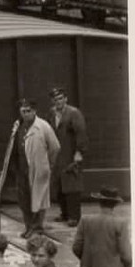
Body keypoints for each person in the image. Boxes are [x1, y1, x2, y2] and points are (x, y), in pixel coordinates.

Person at [8, 98, 60, 236]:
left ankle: (37, 227)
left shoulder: (43, 126)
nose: (25, 114)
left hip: (38, 169)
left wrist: (48, 163)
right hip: (22, 169)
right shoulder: (18, 126)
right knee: (24, 200)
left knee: (39, 199)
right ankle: (28, 226)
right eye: (23, 111)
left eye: (28, 111)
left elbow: (55, 147)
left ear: (34, 111)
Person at [49, 88, 90, 226]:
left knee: (72, 186)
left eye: (60, 98)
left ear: (65, 99)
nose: (58, 101)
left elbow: (81, 133)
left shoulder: (73, 113)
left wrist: (79, 152)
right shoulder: (52, 113)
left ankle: (74, 217)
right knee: (60, 186)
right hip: (57, 156)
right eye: (55, 99)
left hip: (70, 154)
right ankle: (65, 213)